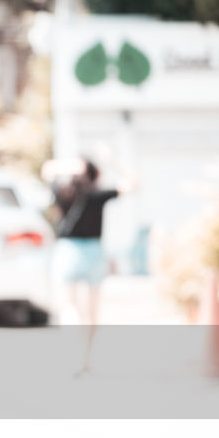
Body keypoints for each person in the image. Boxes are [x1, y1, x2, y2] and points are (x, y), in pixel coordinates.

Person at [42, 156, 137, 375]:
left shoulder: (61, 190)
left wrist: (66, 166)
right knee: (91, 312)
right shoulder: (98, 195)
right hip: (95, 252)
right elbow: (133, 183)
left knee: (68, 306)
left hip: (68, 250)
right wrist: (114, 160)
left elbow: (47, 170)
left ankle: (73, 354)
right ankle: (85, 358)